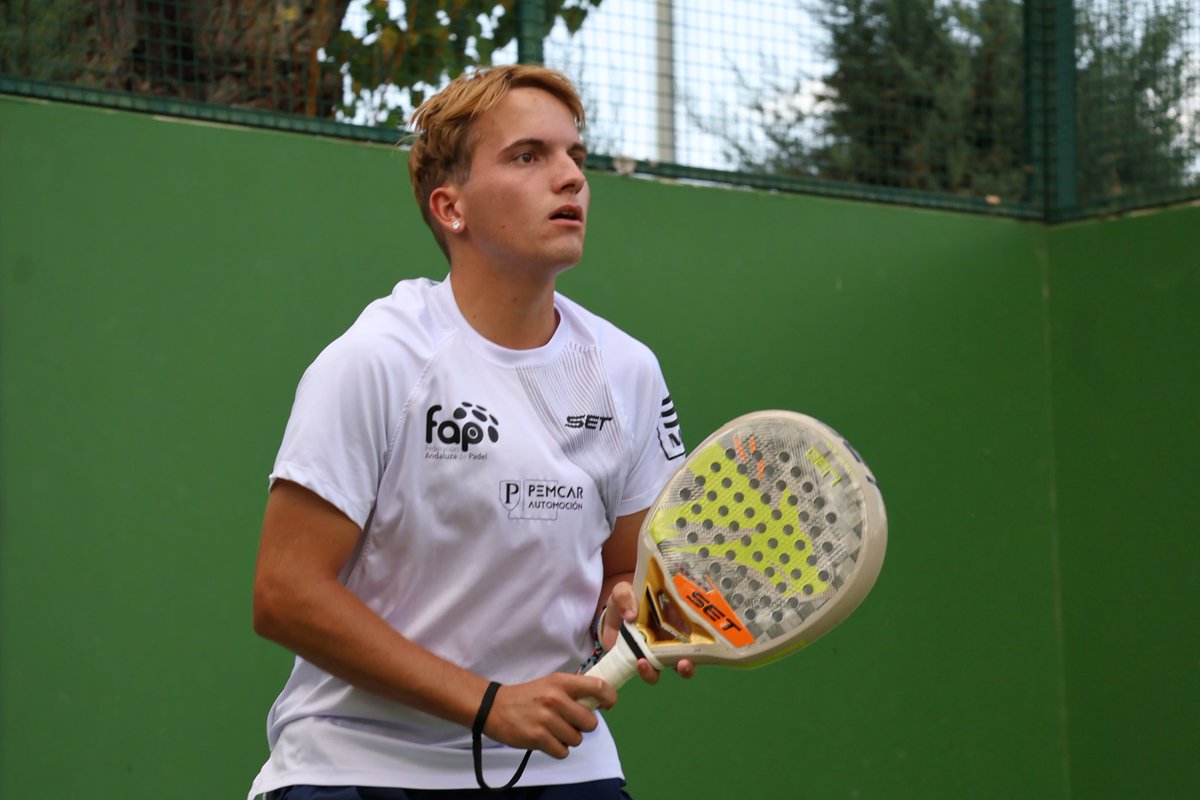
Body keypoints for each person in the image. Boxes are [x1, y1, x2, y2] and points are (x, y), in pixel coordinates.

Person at [247, 64, 693, 800]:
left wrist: (625, 602)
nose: (570, 179)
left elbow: (624, 569)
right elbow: (285, 593)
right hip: (355, 763)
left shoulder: (628, 371)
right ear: (451, 207)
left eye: (575, 158)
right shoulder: (378, 361)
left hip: (561, 763)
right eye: (528, 157)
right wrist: (488, 703)